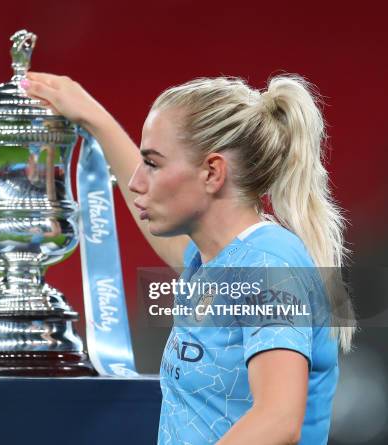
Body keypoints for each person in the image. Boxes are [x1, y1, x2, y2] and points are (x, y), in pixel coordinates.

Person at [21, 72, 355, 444]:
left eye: (153, 163)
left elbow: (277, 420)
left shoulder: (268, 265)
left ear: (212, 172)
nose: (135, 183)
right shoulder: (218, 260)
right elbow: (163, 236)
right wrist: (93, 118)